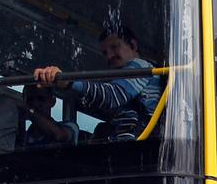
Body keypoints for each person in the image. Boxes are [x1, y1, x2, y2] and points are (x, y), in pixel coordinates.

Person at [32, 25, 162, 142]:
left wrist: (68, 82)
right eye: (105, 53)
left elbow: (112, 95)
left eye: (114, 47)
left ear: (133, 45)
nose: (109, 56)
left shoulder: (141, 66)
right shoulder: (124, 78)